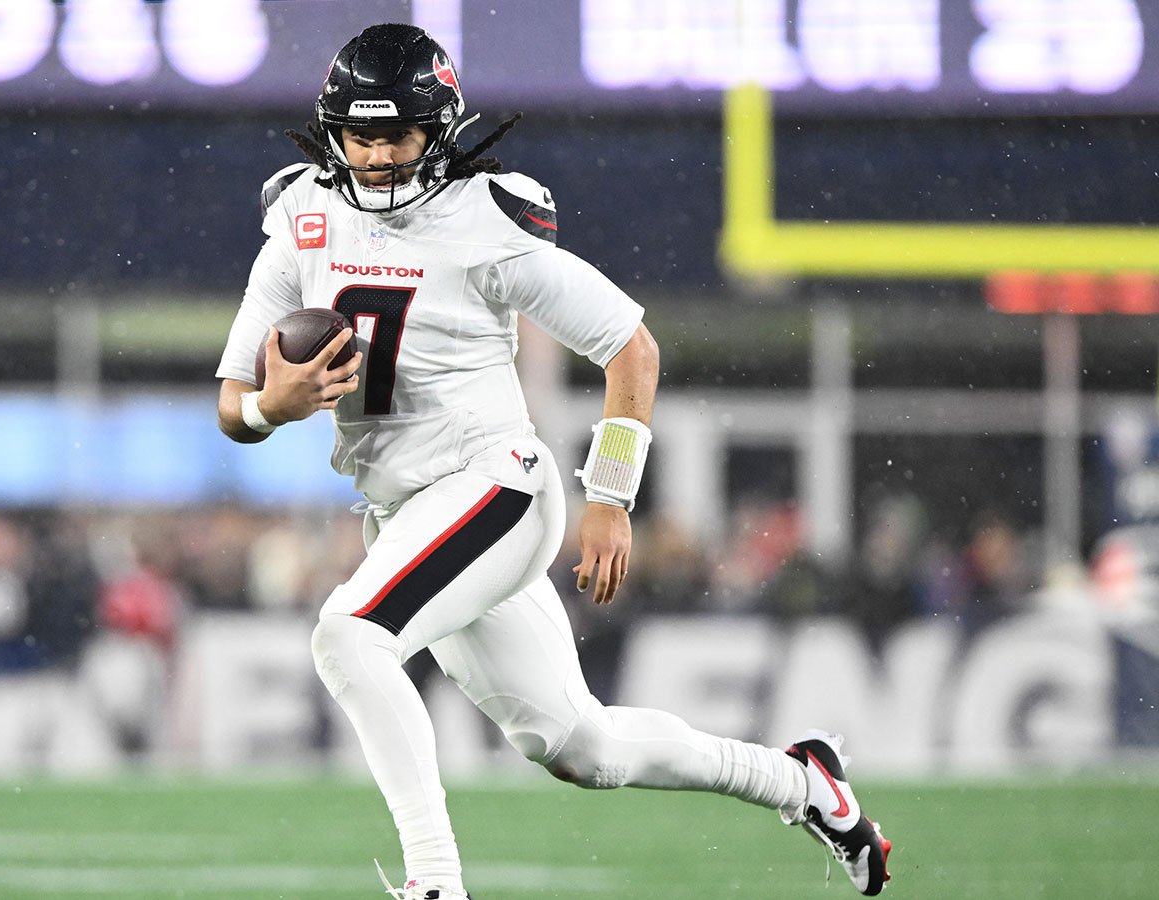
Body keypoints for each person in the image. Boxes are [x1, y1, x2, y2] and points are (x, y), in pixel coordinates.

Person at [214, 24, 891, 899]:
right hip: (407, 513)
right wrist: (276, 405)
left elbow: (630, 348)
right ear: (331, 132)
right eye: (362, 137)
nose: (379, 158)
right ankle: (809, 785)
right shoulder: (299, 220)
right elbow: (233, 403)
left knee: (349, 636)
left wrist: (610, 496)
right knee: (583, 747)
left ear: (441, 131)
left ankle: (435, 884)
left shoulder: (482, 220)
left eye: (400, 137)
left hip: (497, 484)